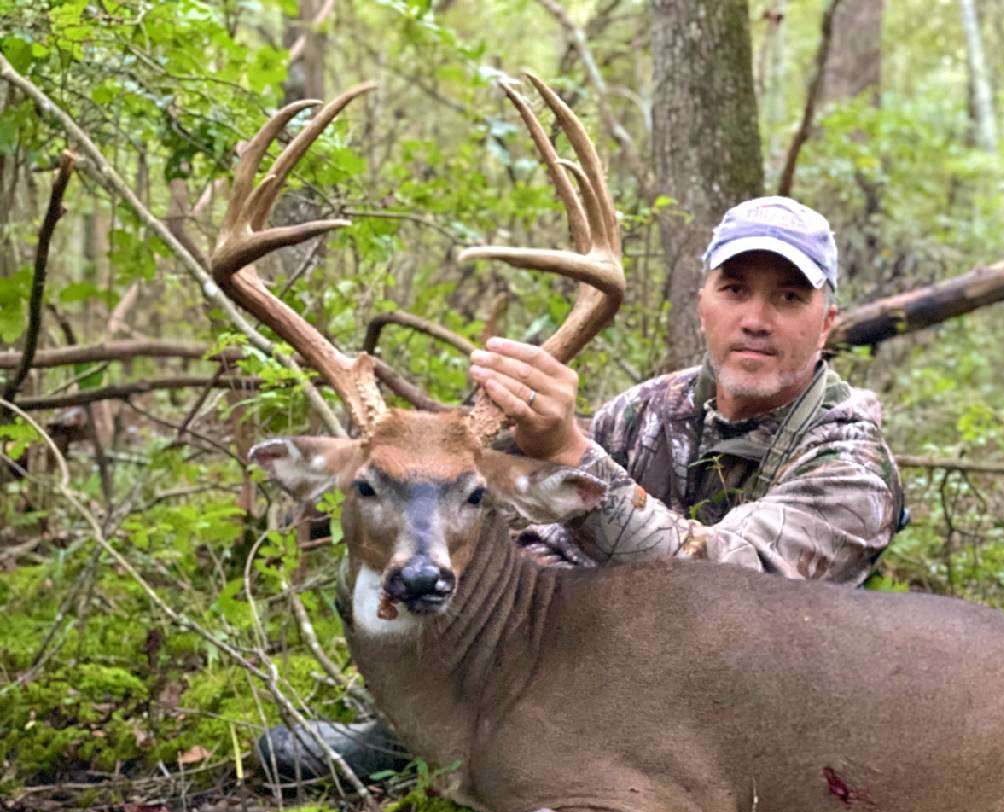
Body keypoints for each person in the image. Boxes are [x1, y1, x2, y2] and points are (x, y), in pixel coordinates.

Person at [258, 196, 904, 780]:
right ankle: (408, 732)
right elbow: (516, 532)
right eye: (735, 290)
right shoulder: (648, 410)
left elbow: (732, 593)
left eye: (789, 298)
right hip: (608, 694)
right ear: (702, 303)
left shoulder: (849, 463)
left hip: (755, 720)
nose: (755, 319)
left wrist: (568, 450)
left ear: (827, 323)